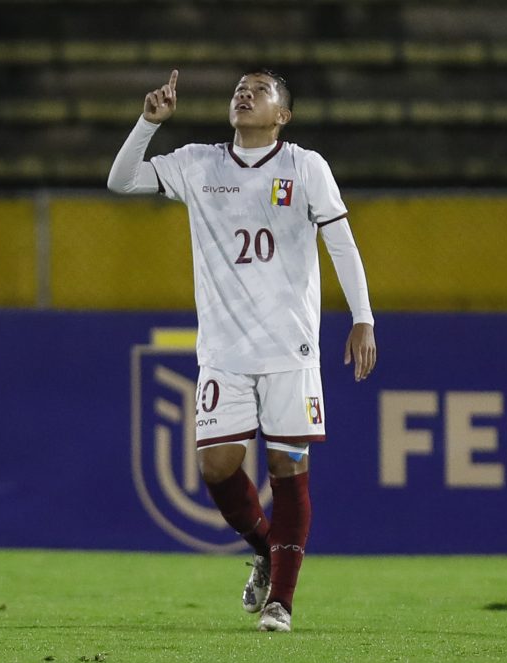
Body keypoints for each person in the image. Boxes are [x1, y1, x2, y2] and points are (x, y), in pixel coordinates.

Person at [108, 68, 376, 632]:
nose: (244, 93)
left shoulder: (306, 167)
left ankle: (281, 602)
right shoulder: (198, 163)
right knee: (216, 466)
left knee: (287, 465)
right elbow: (122, 181)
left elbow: (341, 242)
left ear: (283, 114)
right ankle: (266, 547)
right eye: (239, 88)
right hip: (224, 351)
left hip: (289, 348)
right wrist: (146, 124)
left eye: (260, 89)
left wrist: (362, 317)